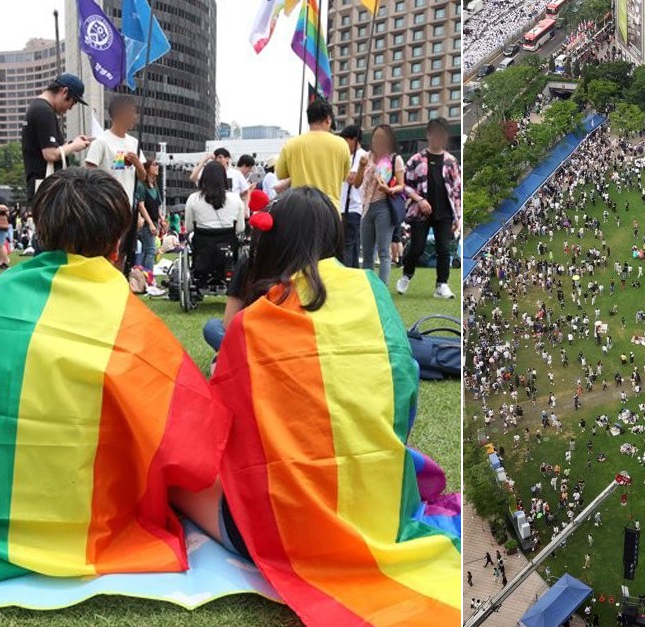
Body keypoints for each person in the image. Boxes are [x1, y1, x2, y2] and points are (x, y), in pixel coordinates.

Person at [0, 168, 228, 587]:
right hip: (95, 517)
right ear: (117, 245)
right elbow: (191, 432)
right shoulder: (130, 322)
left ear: (42, 230)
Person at [170, 187, 461, 625]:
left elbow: (219, 430)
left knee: (171, 470)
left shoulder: (254, 323)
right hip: (378, 509)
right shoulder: (374, 294)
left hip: (280, 529)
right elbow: (404, 395)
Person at [397, 117, 460, 299]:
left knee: (443, 249)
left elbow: (456, 191)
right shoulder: (416, 160)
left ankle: (442, 284)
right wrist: (419, 199)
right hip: (420, 212)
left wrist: (458, 218)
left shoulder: (451, 161)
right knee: (417, 247)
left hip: (445, 212)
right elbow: (405, 185)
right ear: (429, 135)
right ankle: (406, 275)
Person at [85, 94, 146, 275]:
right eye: (132, 112)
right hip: (106, 208)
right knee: (105, 252)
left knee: (123, 253)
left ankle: (118, 288)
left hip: (127, 208)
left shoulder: (134, 143)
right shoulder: (102, 141)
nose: (135, 117)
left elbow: (143, 177)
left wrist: (137, 164)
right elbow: (88, 173)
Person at [21, 74, 92, 200]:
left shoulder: (37, 107)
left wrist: (72, 143)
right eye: (73, 102)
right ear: (64, 92)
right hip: (47, 188)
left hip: (41, 186)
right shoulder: (44, 111)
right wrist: (74, 146)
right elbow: (50, 154)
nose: (70, 108)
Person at [274, 99, 350, 207]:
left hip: (300, 209)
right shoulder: (342, 144)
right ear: (328, 119)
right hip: (330, 209)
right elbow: (344, 176)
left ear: (309, 120)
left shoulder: (291, 144)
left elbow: (280, 174)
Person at [355, 124, 405, 284]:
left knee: (384, 252)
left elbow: (402, 185)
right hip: (366, 208)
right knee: (367, 253)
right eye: (376, 137)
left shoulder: (394, 159)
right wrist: (362, 167)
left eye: (382, 137)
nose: (378, 140)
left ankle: (382, 289)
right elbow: (356, 184)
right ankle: (369, 289)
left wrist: (389, 189)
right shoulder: (366, 158)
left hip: (384, 206)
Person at [185, 161, 245, 235]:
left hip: (201, 244)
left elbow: (189, 228)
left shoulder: (193, 198)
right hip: (228, 244)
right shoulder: (235, 199)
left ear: (203, 177)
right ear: (224, 177)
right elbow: (240, 228)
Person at [338, 124, 367, 268]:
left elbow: (353, 178)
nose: (344, 145)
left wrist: (337, 172)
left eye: (345, 141)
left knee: (347, 246)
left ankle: (347, 275)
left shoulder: (361, 155)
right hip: (345, 207)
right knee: (352, 246)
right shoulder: (349, 156)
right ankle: (354, 274)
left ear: (354, 140)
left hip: (353, 207)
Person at [135, 159, 163, 274]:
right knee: (150, 250)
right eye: (154, 164)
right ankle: (149, 278)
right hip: (146, 223)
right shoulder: (141, 186)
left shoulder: (155, 186)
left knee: (149, 250)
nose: (157, 167)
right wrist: (151, 224)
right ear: (147, 169)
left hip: (154, 221)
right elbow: (141, 206)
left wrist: (162, 219)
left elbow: (157, 205)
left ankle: (145, 276)